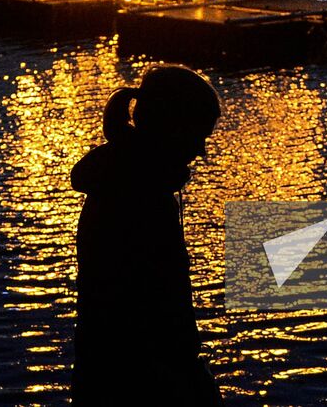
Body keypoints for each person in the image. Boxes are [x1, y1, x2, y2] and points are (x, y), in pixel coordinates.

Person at [70, 64, 223, 406]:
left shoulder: (124, 179)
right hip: (138, 384)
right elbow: (152, 310)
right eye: (198, 135)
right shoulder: (140, 196)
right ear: (172, 127)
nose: (201, 150)